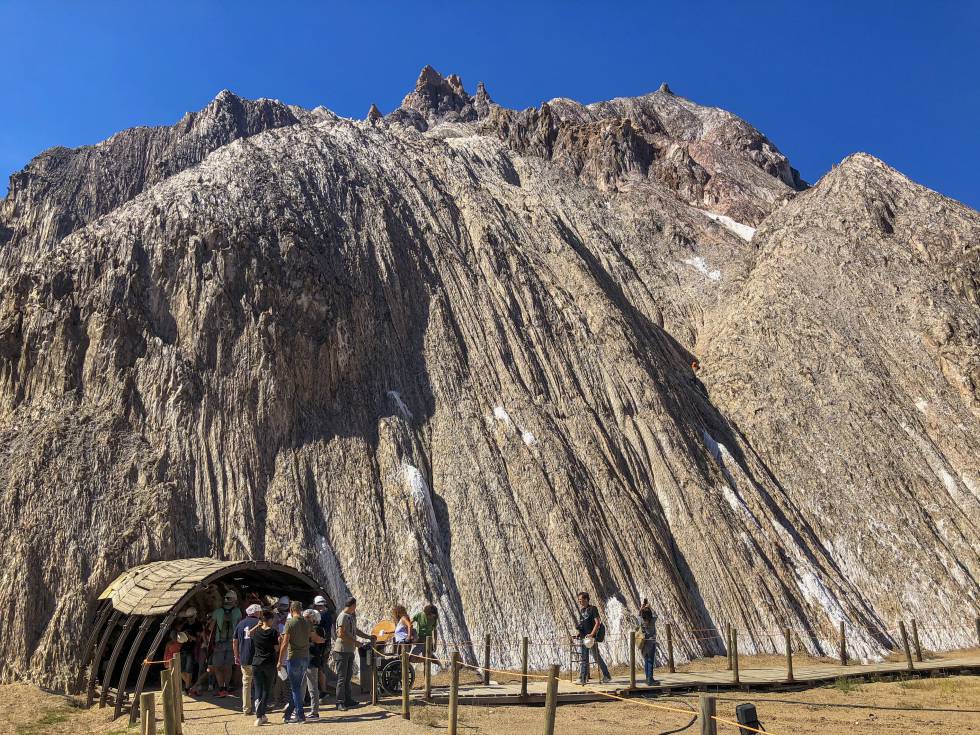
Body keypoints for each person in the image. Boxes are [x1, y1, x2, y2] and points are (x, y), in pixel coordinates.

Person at [277, 600, 323, 724]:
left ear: (291, 611)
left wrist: (279, 661)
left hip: (294, 658)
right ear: (300, 609)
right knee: (297, 687)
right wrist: (323, 640)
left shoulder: (290, 623)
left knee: (296, 688)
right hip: (305, 658)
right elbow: (314, 637)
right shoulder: (307, 622)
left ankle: (300, 715)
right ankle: (289, 714)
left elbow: (285, 643)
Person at [333, 597, 375, 711]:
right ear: (352, 605)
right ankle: (339, 702)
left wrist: (368, 637)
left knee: (347, 677)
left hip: (349, 650)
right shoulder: (342, 617)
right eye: (355, 606)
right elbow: (341, 634)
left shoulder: (350, 617)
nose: (356, 608)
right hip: (341, 651)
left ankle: (348, 700)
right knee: (342, 678)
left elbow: (355, 631)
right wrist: (355, 642)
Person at [249, 610, 280, 726]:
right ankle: (260, 714)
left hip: (256, 662)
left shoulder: (256, 631)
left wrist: (258, 624)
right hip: (268, 663)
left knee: (258, 688)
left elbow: (248, 634)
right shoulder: (273, 632)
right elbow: (276, 649)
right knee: (267, 689)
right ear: (270, 620)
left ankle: (260, 715)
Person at [210, 590, 242, 697]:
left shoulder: (217, 611)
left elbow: (211, 627)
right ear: (234, 600)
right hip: (231, 642)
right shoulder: (237, 612)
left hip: (219, 642)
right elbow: (239, 627)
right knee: (228, 666)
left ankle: (221, 688)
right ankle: (227, 687)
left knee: (218, 667)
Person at [574, 592, 611, 684]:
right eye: (578, 600)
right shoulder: (582, 611)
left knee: (591, 657)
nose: (579, 601)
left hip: (590, 638)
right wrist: (578, 634)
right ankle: (587, 677)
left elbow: (597, 622)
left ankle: (583, 678)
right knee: (589, 657)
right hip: (584, 637)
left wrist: (592, 634)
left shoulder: (593, 609)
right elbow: (583, 625)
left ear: (586, 599)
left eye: (581, 599)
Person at [235, 603, 263, 715]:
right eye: (260, 611)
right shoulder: (259, 624)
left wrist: (236, 655)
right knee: (258, 683)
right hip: (257, 657)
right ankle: (258, 708)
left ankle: (246, 709)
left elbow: (234, 641)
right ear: (256, 612)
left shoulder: (240, 624)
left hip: (244, 657)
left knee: (246, 683)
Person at [302, 609, 326, 720]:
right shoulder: (314, 629)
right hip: (310, 659)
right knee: (304, 686)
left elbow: (318, 640)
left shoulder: (314, 629)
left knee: (312, 687)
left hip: (311, 659)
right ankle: (300, 708)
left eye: (307, 617)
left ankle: (314, 712)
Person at [313, 596, 332, 698]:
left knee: (319, 668)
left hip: (321, 645)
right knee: (320, 667)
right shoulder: (327, 614)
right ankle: (322, 689)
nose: (319, 607)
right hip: (325, 644)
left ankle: (323, 690)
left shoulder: (323, 616)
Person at [638, 599, 659, 685]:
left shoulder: (641, 620)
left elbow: (639, 615)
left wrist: (641, 608)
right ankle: (650, 679)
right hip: (651, 642)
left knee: (646, 660)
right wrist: (650, 607)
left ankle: (648, 678)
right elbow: (656, 615)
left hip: (643, 643)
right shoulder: (652, 620)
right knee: (650, 660)